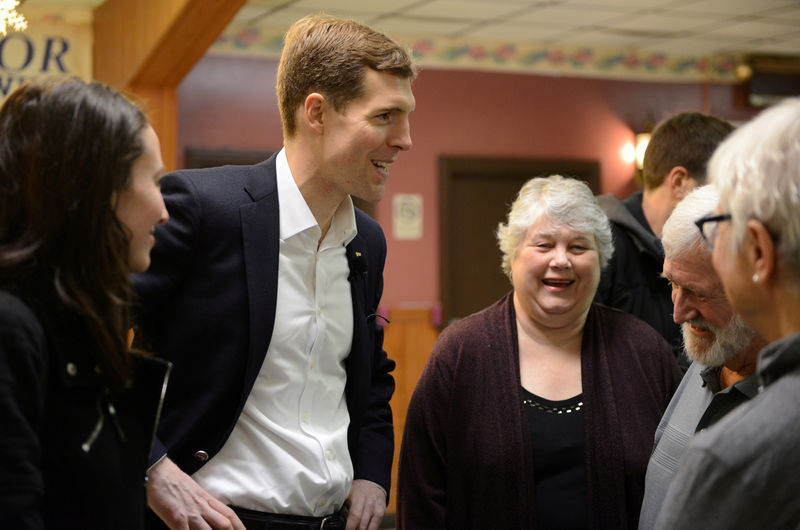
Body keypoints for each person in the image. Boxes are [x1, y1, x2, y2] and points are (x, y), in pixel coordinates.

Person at [132, 14, 416, 530]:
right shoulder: (201, 209)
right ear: (317, 113)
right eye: (385, 117)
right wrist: (149, 467)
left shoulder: (366, 243)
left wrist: (373, 474)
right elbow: (91, 336)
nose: (405, 139)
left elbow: (371, 377)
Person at [397, 175, 682, 530]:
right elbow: (422, 497)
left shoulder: (645, 352)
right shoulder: (459, 354)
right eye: (544, 245)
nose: (561, 260)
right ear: (513, 254)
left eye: (579, 247)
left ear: (601, 259)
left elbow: (679, 486)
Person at [0, 78, 170, 528]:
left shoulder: (80, 326)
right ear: (97, 192)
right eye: (153, 181)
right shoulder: (12, 328)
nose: (164, 210)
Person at [655, 97, 800, 529]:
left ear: (757, 250)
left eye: (720, 229)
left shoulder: (741, 454)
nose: (679, 312)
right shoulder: (703, 367)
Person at [638, 185, 765, 528]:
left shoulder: (785, 406)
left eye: (696, 292)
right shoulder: (706, 360)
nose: (677, 313)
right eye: (673, 284)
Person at [595, 112, 734, 369]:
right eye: (719, 186)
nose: (727, 200)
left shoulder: (709, 248)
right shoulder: (597, 249)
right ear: (679, 182)